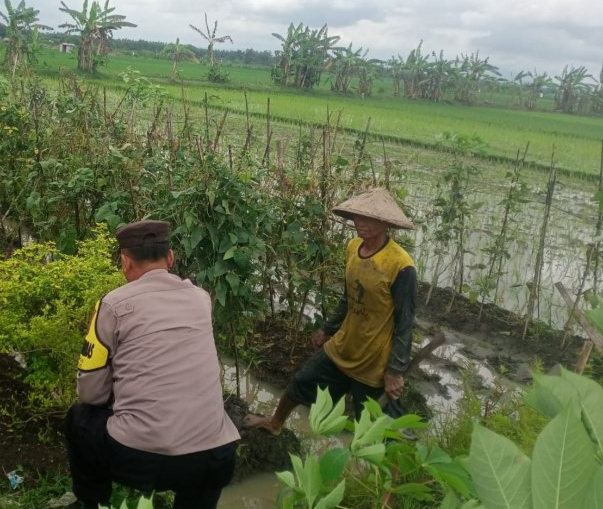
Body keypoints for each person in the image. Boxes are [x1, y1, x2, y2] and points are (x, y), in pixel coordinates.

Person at [65, 220, 240, 509]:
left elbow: (90, 393)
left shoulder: (112, 305)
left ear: (125, 262)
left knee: (80, 419)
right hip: (216, 458)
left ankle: (93, 503)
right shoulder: (201, 298)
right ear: (170, 258)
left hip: (143, 461)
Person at [244, 187, 416, 435]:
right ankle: (274, 423)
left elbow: (405, 322)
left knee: (377, 427)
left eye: (368, 218)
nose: (360, 222)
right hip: (343, 346)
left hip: (373, 360)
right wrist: (327, 329)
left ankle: (389, 459)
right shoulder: (353, 247)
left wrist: (395, 371)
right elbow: (349, 297)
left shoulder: (400, 265)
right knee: (301, 382)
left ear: (384, 223)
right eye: (357, 216)